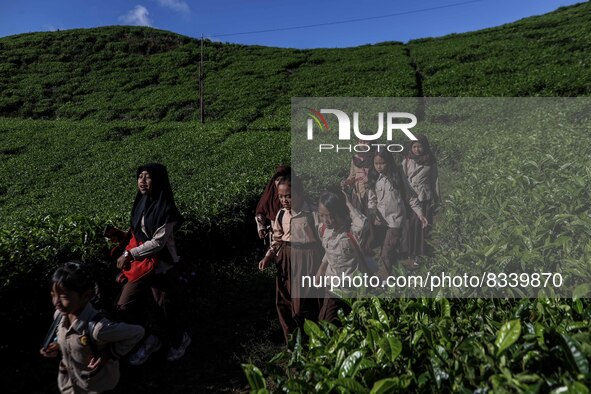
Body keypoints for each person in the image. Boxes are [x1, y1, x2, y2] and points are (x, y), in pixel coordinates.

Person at [115, 163, 190, 365]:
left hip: (162, 267)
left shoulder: (166, 210)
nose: (142, 181)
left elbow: (158, 243)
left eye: (147, 177)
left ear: (158, 180)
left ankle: (179, 341)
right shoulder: (140, 203)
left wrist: (130, 254)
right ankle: (153, 339)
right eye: (140, 176)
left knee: (165, 307)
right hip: (142, 265)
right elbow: (136, 233)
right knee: (141, 306)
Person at [40, 261, 145, 393]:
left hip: (96, 386)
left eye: (64, 296)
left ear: (86, 296)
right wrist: (57, 344)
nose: (56, 302)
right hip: (69, 385)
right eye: (53, 295)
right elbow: (64, 335)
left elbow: (137, 332)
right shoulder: (60, 316)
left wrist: (110, 353)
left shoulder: (98, 328)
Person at [258, 175, 322, 344]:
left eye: (289, 196)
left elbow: (324, 237)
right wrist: (268, 256)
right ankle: (292, 341)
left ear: (300, 194)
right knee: (284, 300)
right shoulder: (281, 215)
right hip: (286, 257)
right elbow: (277, 239)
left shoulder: (313, 213)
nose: (284, 200)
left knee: (302, 304)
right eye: (281, 196)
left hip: (308, 258)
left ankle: (311, 337)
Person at [367, 151, 426, 279]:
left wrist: (420, 214)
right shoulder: (374, 178)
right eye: (376, 163)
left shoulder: (397, 176)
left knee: (386, 253)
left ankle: (385, 280)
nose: (379, 166)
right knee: (388, 250)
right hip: (381, 221)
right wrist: (372, 212)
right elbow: (372, 200)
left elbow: (410, 197)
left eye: (382, 163)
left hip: (395, 220)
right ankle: (396, 276)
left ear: (388, 162)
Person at [316, 190, 368, 324]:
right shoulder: (323, 230)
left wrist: (348, 203)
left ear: (340, 212)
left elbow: (362, 223)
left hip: (353, 289)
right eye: (322, 215)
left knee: (353, 324)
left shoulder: (352, 233)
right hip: (333, 287)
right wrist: (321, 269)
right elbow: (329, 252)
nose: (326, 220)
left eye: (330, 216)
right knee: (327, 322)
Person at [402, 134, 440, 266]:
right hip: (412, 198)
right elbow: (403, 180)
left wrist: (437, 201)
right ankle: (412, 252)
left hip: (425, 197)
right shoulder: (407, 160)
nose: (417, 149)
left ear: (425, 146)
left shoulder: (430, 160)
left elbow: (435, 181)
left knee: (424, 227)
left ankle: (423, 253)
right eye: (414, 146)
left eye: (420, 146)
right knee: (412, 226)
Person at [254, 165, 291, 243]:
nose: (279, 182)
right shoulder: (270, 195)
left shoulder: (297, 196)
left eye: (283, 179)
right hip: (276, 236)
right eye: (277, 179)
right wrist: (261, 227)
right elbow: (261, 212)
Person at [341, 141, 372, 214]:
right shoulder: (355, 158)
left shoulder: (374, 157)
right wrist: (346, 182)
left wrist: (369, 178)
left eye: (365, 142)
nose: (362, 144)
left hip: (370, 190)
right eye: (360, 141)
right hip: (358, 192)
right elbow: (352, 176)